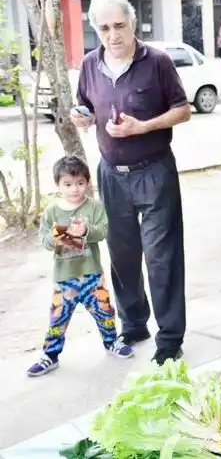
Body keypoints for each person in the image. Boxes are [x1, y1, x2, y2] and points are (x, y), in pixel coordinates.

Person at [70, 0, 191, 365]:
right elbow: (84, 105)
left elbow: (183, 110)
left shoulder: (156, 61)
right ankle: (134, 323)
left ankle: (169, 336)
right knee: (122, 255)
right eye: (104, 28)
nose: (112, 35)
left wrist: (144, 127)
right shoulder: (91, 64)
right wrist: (81, 117)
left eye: (119, 25)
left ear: (132, 23)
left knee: (161, 257)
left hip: (154, 170)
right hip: (111, 175)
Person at [27, 156, 133, 377]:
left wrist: (85, 231)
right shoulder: (52, 212)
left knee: (105, 311)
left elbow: (103, 232)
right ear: (58, 185)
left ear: (87, 182)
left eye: (80, 183)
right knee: (58, 317)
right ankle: (50, 355)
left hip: (92, 274)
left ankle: (111, 341)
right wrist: (60, 236)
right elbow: (45, 241)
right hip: (64, 278)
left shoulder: (94, 207)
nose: (74, 189)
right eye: (67, 184)